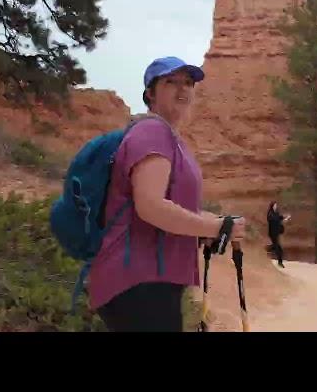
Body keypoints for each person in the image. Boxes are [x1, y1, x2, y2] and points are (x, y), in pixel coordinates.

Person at [88, 56, 245, 332]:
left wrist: (210, 225)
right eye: (171, 82)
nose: (182, 89)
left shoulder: (170, 139)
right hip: (138, 279)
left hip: (151, 280)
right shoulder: (152, 132)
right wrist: (215, 226)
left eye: (188, 83)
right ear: (150, 93)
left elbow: (171, 206)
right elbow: (151, 206)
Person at [267, 201, 290, 268]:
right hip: (272, 233)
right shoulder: (270, 214)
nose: (276, 206)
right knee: (279, 249)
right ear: (272, 206)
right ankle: (280, 263)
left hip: (276, 233)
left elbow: (279, 218)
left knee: (275, 246)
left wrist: (285, 218)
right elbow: (274, 220)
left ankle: (268, 249)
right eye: (275, 205)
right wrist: (282, 220)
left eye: (276, 205)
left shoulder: (276, 213)